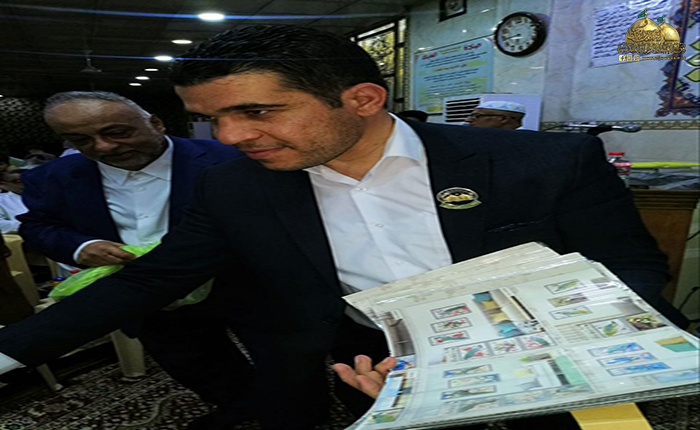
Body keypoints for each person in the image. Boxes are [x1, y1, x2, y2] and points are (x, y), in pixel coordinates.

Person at [0, 25, 684, 430]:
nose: (230, 137)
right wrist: (9, 352)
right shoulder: (236, 185)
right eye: (213, 120)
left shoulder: (543, 162)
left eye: (256, 112)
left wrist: (566, 344)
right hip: (370, 365)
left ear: (361, 99)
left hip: (549, 353)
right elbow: (152, 278)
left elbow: (630, 265)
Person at [15, 91, 255, 429]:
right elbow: (37, 226)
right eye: (81, 140)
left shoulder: (233, 157)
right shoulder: (51, 176)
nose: (104, 147)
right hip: (146, 293)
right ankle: (240, 407)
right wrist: (82, 246)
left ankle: (298, 413)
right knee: (192, 362)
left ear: (156, 123)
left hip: (244, 280)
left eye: (118, 132)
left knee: (283, 356)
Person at [0, 169, 28, 233]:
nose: (23, 184)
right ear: (5, 184)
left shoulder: (48, 197)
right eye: (18, 181)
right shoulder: (2, 200)